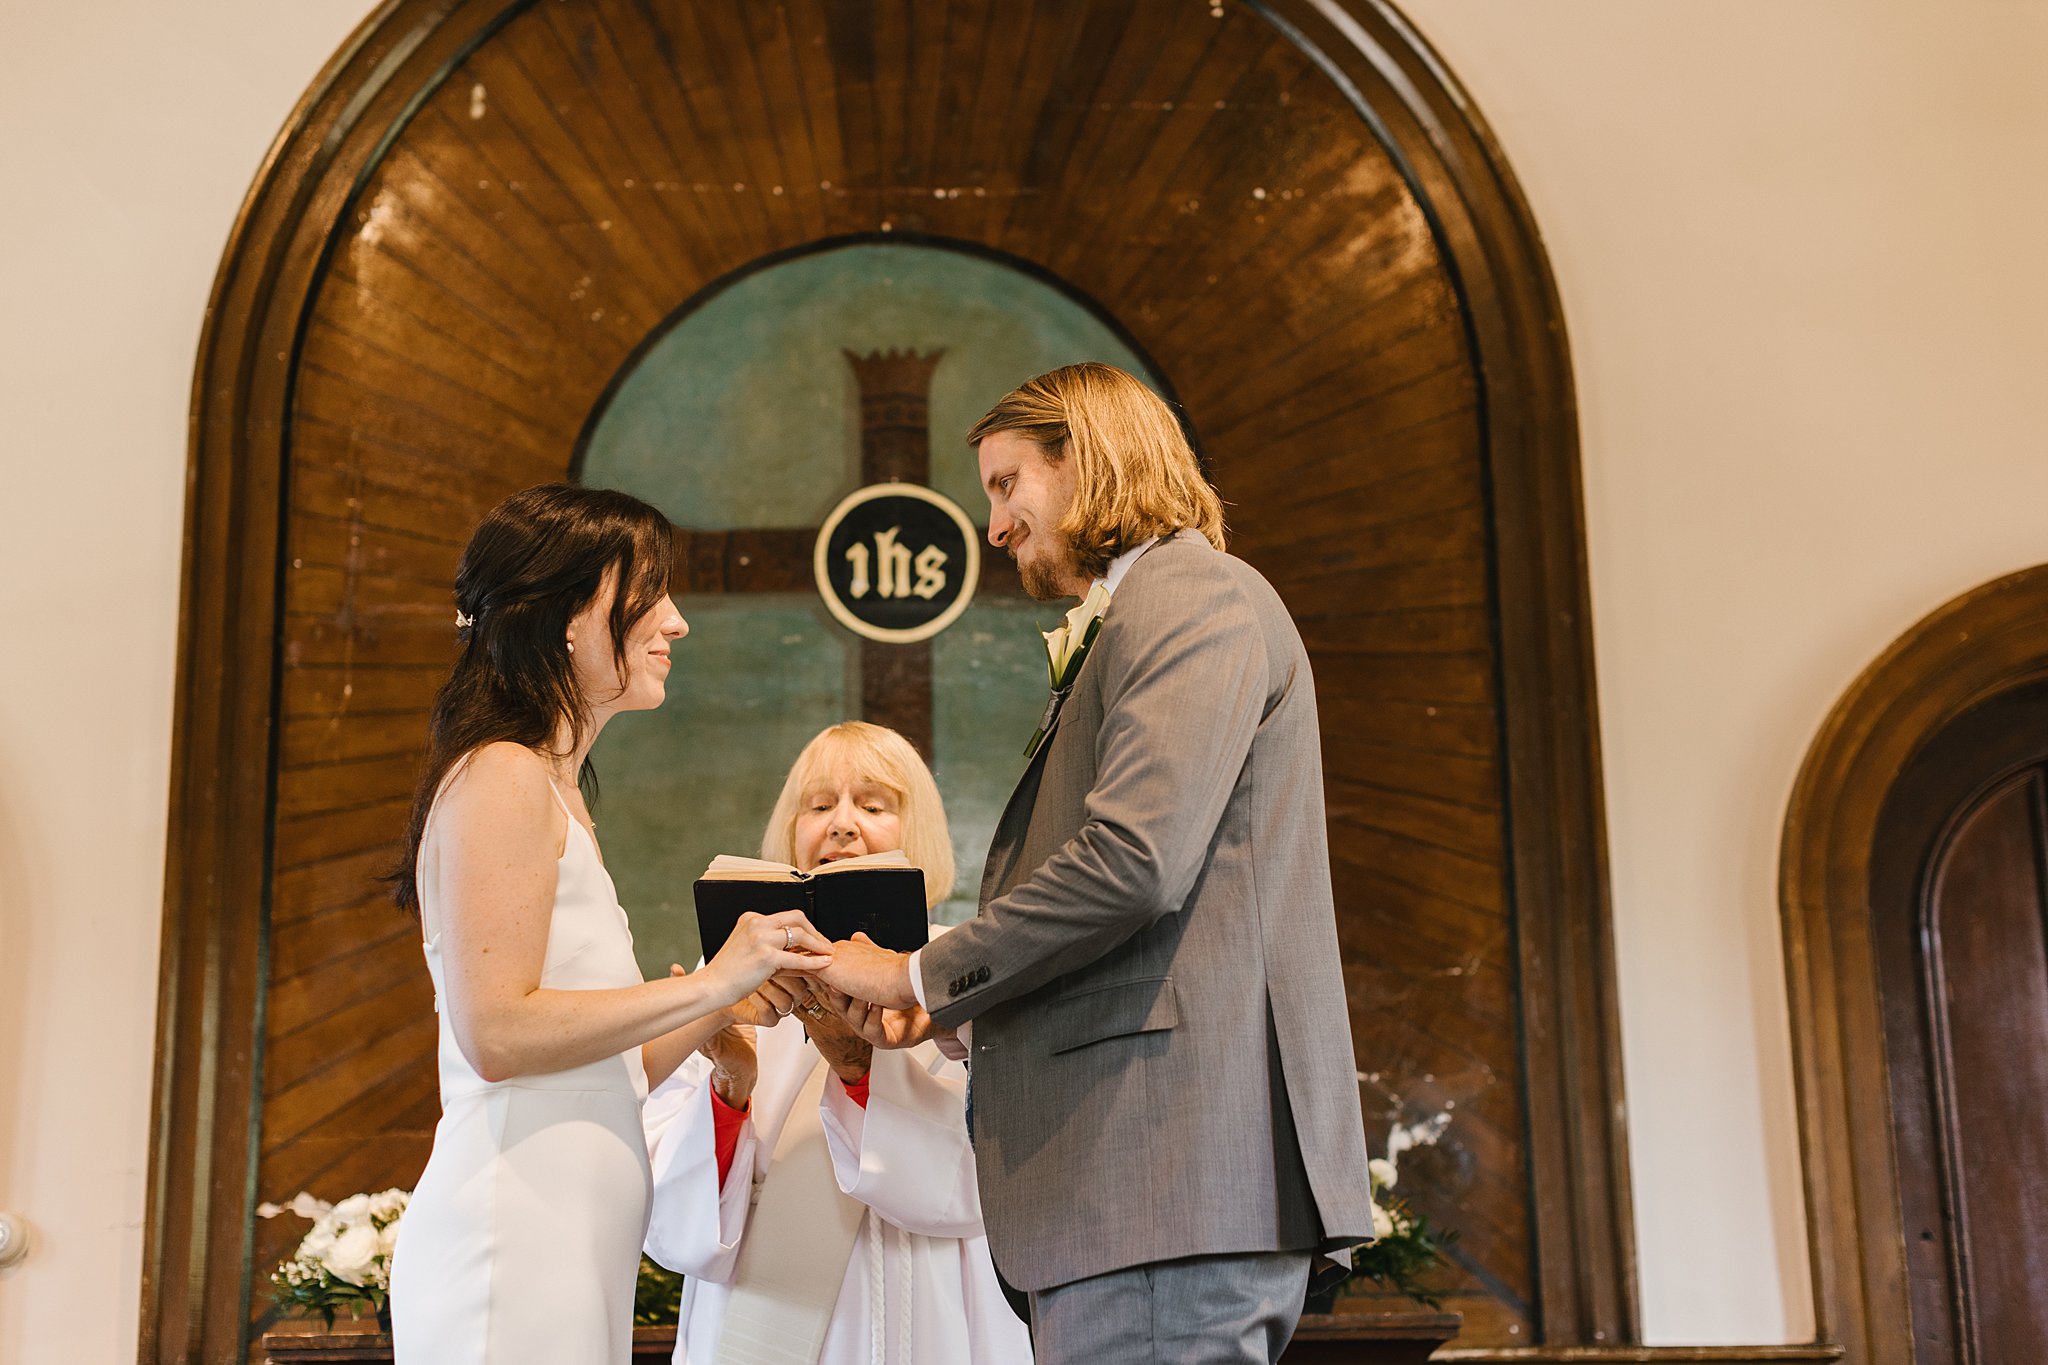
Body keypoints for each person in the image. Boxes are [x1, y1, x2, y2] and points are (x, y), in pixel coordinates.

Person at [814, 364, 1374, 1364]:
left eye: (1004, 485)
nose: (992, 526)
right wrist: (949, 1017)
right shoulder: (1149, 611)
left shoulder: (1191, 598)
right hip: (1138, 1196)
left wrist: (913, 972)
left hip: (1160, 1178)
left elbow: (1133, 862)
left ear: (1087, 459)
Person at [386, 484, 833, 1365]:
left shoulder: (558, 792)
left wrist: (722, 1012)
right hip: (512, 1225)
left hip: (571, 1230)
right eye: (649, 592)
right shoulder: (502, 774)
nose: (676, 622)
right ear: (566, 613)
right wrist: (712, 977)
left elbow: (605, 1070)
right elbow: (497, 1032)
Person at [642, 722, 1033, 1365]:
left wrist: (858, 1070)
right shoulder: (729, 977)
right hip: (759, 1310)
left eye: (873, 805)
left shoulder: (960, 967)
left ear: (919, 832)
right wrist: (730, 1088)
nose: (843, 825)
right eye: (819, 805)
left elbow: (993, 1167)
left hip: (931, 1302)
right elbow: (671, 1211)